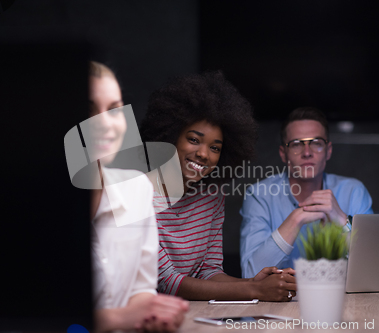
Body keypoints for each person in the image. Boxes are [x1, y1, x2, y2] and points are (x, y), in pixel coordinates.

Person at [140, 71, 297, 302]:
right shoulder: (138, 193)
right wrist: (255, 291)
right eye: (193, 139)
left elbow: (208, 270)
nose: (203, 154)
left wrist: (257, 283)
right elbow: (165, 281)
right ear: (170, 137)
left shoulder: (211, 194)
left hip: (190, 315)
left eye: (215, 148)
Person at [88, 62, 188, 332]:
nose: (104, 124)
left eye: (114, 109)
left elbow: (142, 288)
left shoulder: (137, 189)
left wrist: (154, 313)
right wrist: (116, 319)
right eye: (88, 109)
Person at [240, 107, 373, 277]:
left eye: (316, 143)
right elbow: (250, 275)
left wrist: (341, 220)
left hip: (343, 301)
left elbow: (373, 269)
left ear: (328, 151)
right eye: (296, 144)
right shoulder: (259, 195)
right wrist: (296, 219)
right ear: (283, 154)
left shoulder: (353, 191)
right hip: (279, 303)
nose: (307, 153)